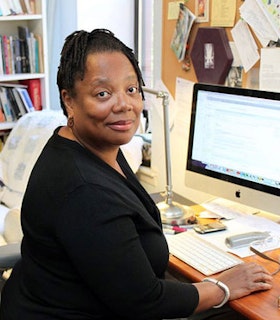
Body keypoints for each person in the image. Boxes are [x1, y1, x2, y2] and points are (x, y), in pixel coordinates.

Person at [0, 29, 273, 320]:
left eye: (131, 89)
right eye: (102, 93)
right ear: (69, 101)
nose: (124, 105)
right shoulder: (84, 188)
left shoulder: (90, 147)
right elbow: (147, 302)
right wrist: (222, 287)